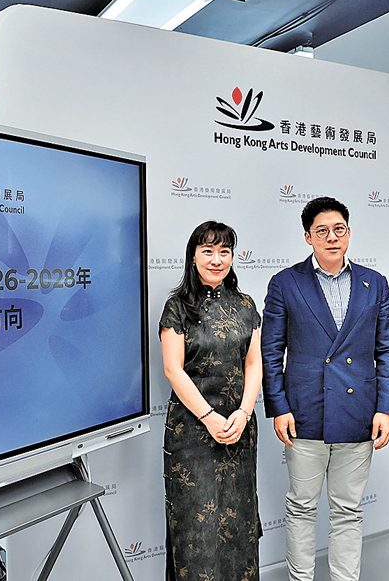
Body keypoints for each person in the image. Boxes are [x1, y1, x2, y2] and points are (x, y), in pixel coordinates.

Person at [261, 196, 389, 581]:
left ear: (349, 233)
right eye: (322, 231)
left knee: (348, 510)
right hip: (304, 412)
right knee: (302, 507)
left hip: (359, 412)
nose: (332, 237)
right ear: (308, 237)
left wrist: (386, 408)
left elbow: (388, 349)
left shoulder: (375, 283)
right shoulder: (286, 283)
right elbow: (270, 351)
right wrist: (279, 407)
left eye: (339, 229)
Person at [160, 220, 263, 581]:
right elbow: (173, 369)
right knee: (196, 529)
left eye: (224, 251)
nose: (216, 259)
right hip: (191, 432)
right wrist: (208, 417)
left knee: (238, 522)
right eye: (207, 251)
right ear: (193, 256)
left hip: (238, 428)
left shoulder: (246, 305)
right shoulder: (177, 307)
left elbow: (253, 364)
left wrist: (244, 413)